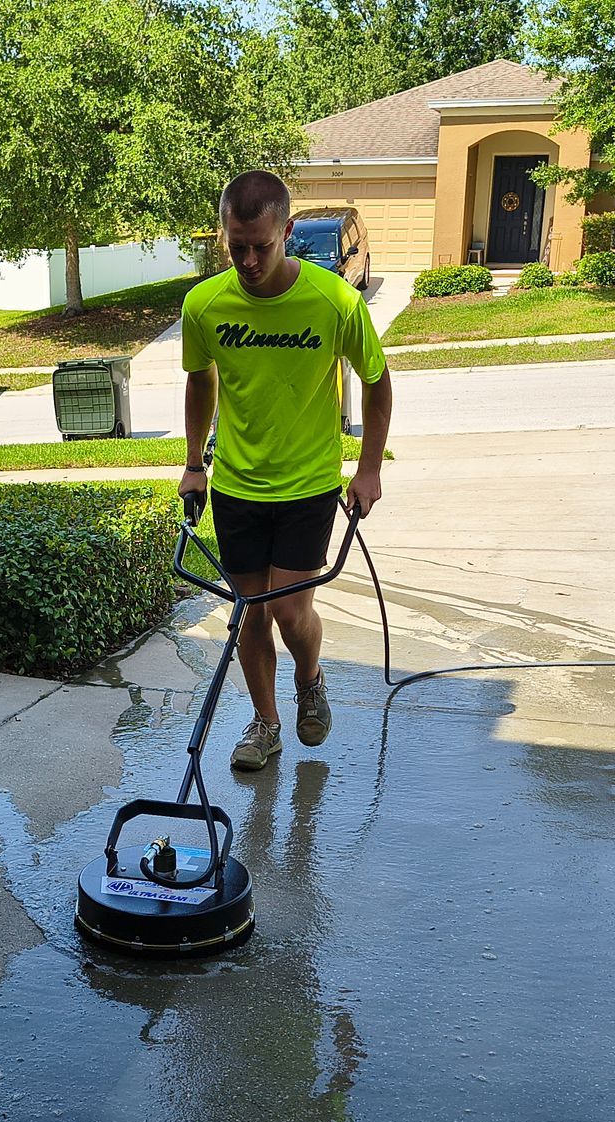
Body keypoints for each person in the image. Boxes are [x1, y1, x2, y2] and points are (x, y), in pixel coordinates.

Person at [180, 170, 392, 772]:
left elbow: (378, 386)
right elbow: (202, 380)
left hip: (308, 484)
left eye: (261, 246)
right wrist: (194, 463)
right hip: (238, 485)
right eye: (235, 245)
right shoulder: (205, 305)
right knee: (249, 609)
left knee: (289, 612)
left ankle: (310, 677)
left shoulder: (333, 301)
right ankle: (265, 724)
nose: (247, 259)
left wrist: (369, 469)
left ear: (288, 232)